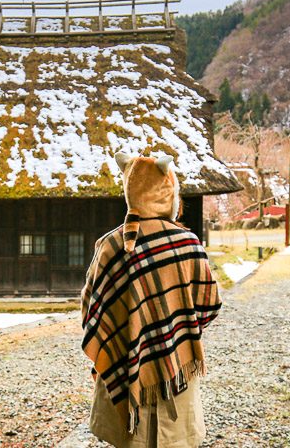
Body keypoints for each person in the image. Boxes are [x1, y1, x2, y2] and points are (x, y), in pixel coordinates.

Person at [81, 153, 221, 448]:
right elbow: (210, 303)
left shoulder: (110, 245)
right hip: (176, 369)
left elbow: (91, 310)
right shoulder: (188, 243)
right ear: (168, 192)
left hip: (125, 365)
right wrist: (175, 330)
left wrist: (131, 332)